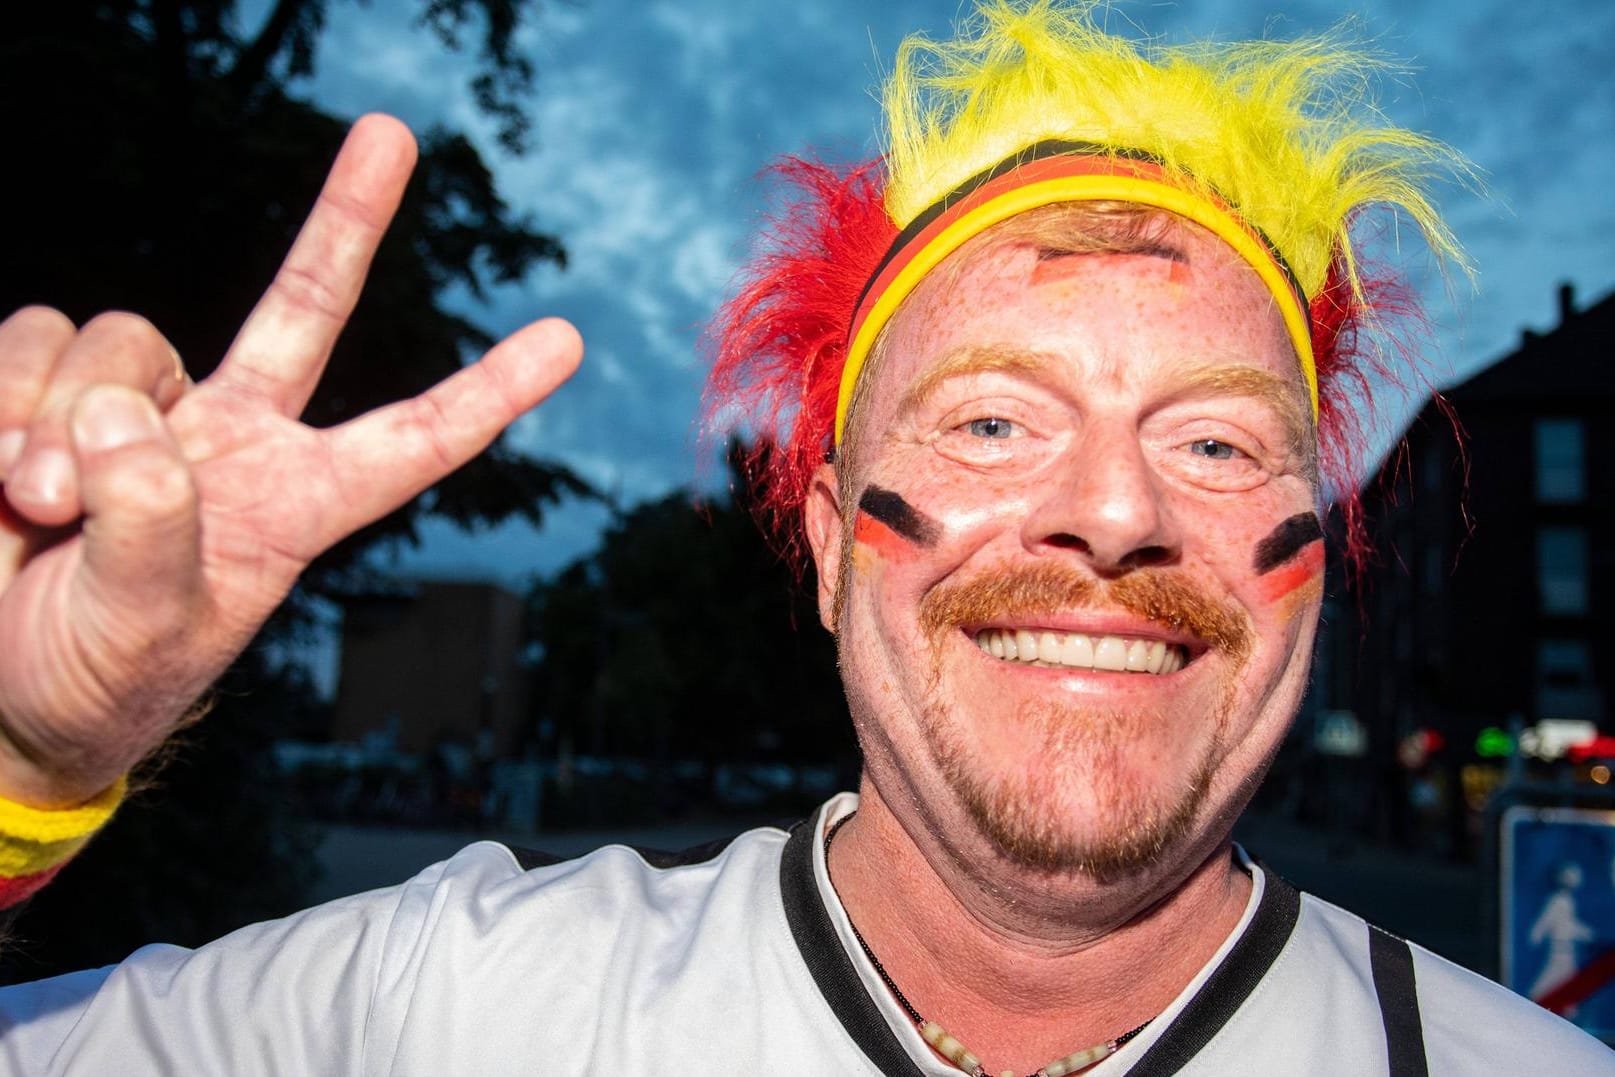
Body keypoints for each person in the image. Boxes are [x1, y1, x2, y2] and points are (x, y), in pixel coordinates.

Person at [0, 2, 1608, 1073]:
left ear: (1313, 559)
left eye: (1211, 439)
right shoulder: (455, 1010)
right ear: (832, 542)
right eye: (990, 419)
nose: (1116, 513)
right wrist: (18, 764)